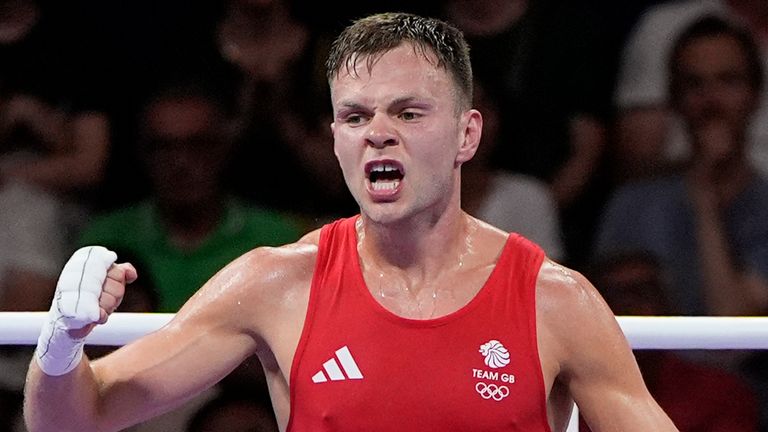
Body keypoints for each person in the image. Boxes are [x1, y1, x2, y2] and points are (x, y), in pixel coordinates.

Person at [23, 12, 678, 431]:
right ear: (334, 137)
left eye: (409, 114)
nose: (379, 136)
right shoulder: (275, 284)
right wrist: (61, 347)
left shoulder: (552, 301)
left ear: (466, 134)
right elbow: (78, 417)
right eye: (357, 118)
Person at [594, 15, 768, 317]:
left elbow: (731, 323)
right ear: (675, 99)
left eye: (728, 81)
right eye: (694, 84)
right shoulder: (630, 206)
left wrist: (704, 200)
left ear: (755, 95)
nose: (711, 100)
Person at [581, 250, 760, 432]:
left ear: (667, 303)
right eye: (614, 296)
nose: (630, 306)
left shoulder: (720, 392)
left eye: (642, 292)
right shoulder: (569, 397)